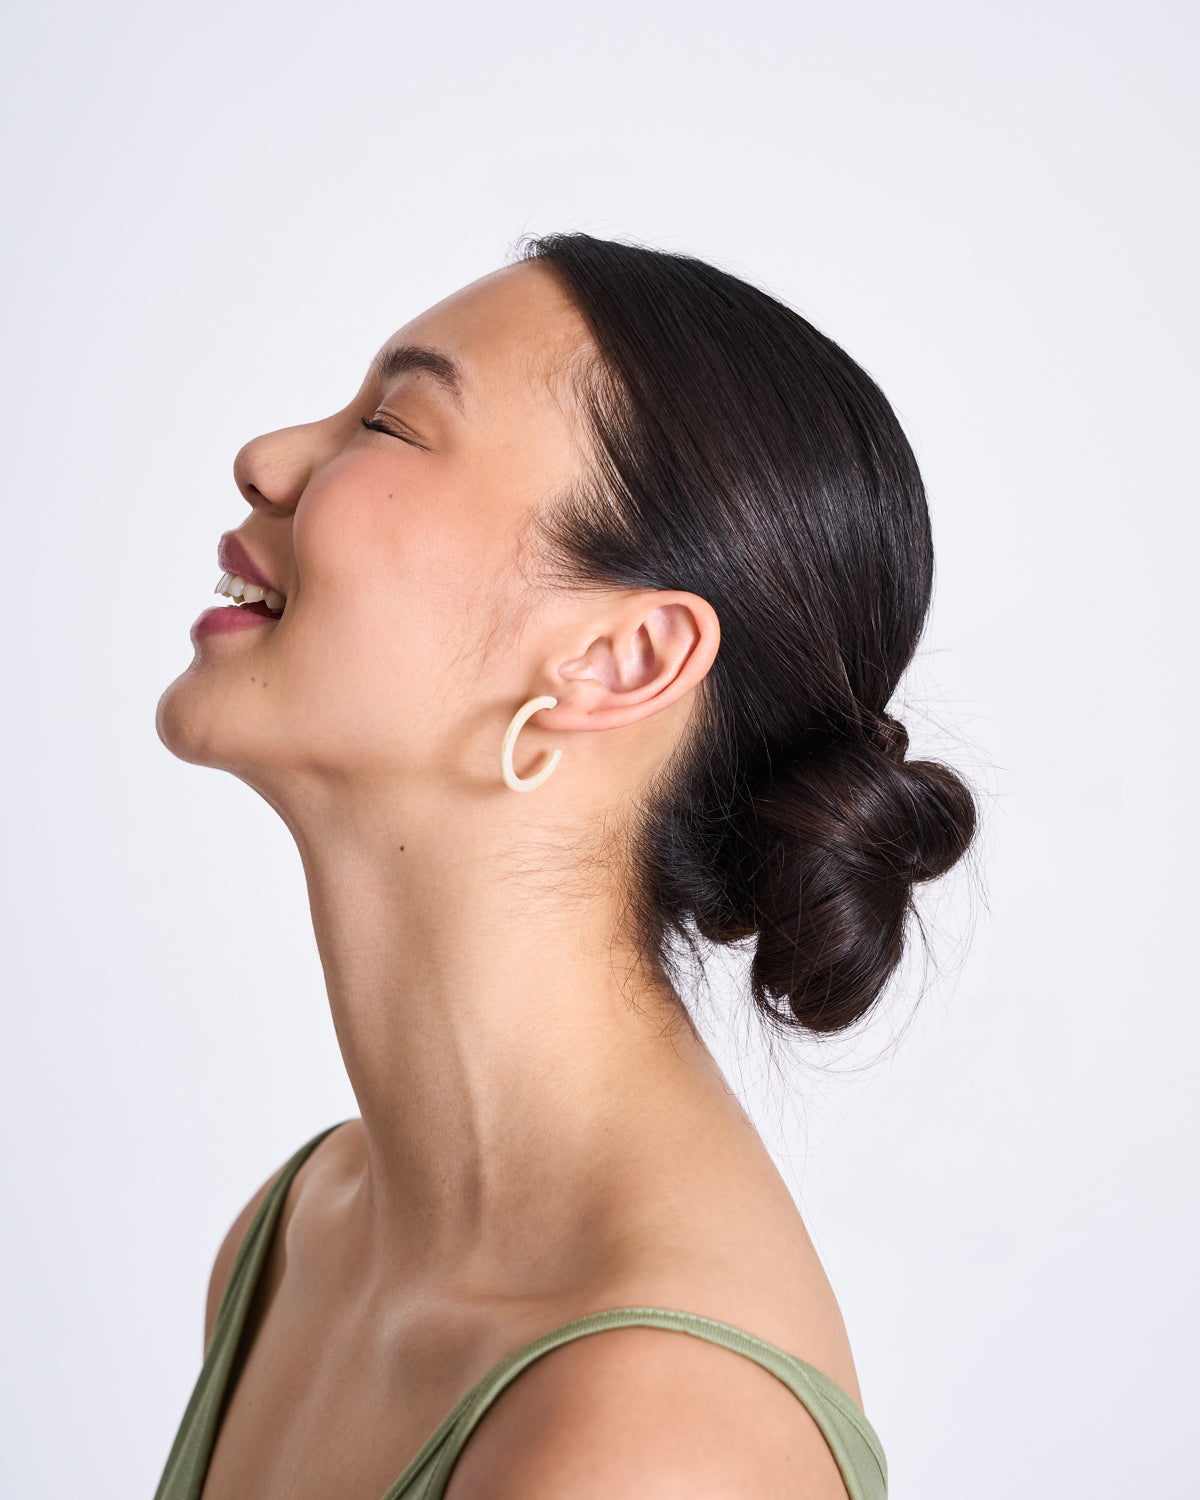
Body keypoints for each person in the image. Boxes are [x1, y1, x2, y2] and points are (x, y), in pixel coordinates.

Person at [152, 232, 976, 1500]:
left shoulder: (654, 1448)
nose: (266, 459)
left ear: (617, 661)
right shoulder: (291, 1238)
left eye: (390, 423)